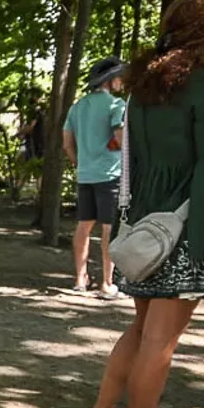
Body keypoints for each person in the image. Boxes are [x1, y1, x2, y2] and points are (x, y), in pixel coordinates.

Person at [76, 0, 204, 408]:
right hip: (187, 226)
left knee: (143, 327)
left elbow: (132, 158)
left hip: (146, 224)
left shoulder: (144, 83)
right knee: (161, 341)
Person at [62, 57, 127, 297]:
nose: (123, 82)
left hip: (85, 174)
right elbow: (121, 140)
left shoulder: (77, 106)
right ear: (110, 80)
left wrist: (81, 162)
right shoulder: (116, 105)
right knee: (110, 228)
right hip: (110, 174)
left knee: (84, 225)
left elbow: (67, 144)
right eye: (120, 77)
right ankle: (107, 283)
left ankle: (80, 279)